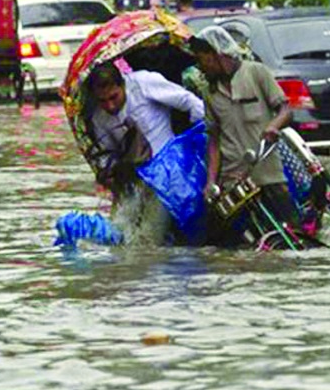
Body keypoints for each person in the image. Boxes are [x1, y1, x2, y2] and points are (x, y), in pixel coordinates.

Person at [188, 26, 298, 246]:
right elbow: (214, 140)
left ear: (218, 53)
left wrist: (273, 127)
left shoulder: (256, 73)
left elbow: (285, 110)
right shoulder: (209, 92)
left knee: (293, 233)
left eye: (203, 60)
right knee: (222, 244)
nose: (201, 67)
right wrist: (210, 182)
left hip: (267, 173)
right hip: (233, 178)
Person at [88, 61, 205, 196]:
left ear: (123, 85)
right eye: (103, 101)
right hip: (140, 185)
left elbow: (190, 103)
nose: (110, 106)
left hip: (176, 168)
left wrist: (199, 141)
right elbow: (106, 155)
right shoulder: (98, 118)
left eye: (114, 97)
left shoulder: (144, 83)